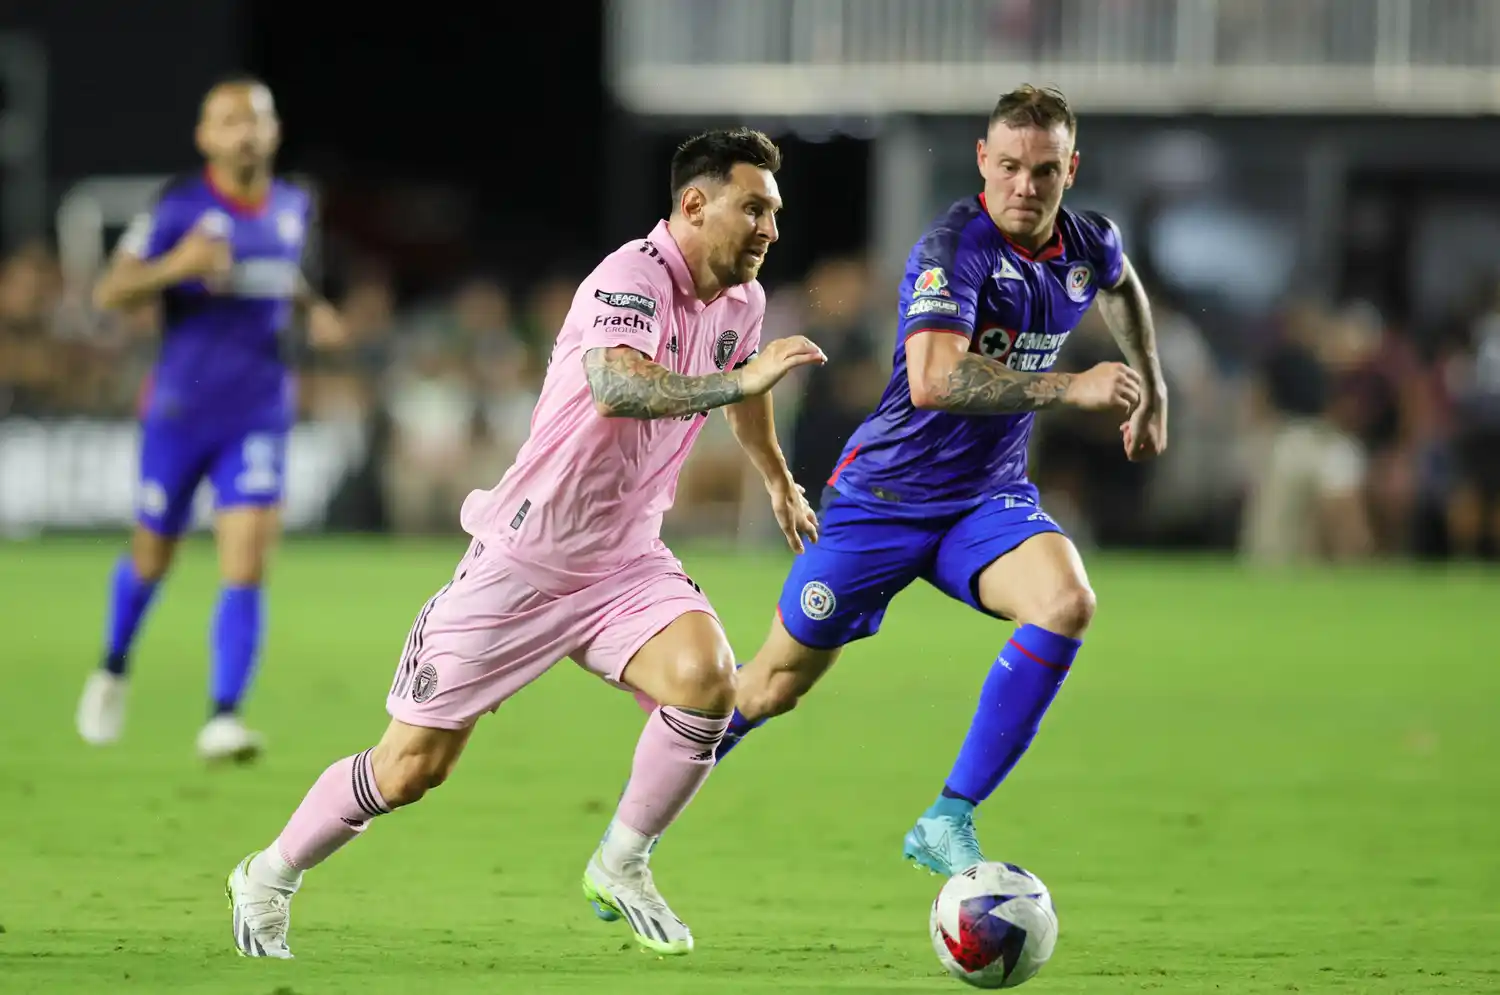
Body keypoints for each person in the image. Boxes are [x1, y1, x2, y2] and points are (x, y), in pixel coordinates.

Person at [224, 128, 825, 960]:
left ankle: (621, 861)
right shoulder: (630, 277)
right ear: (695, 202)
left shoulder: (741, 302)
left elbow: (744, 381)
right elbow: (617, 385)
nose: (770, 227)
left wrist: (774, 476)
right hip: (522, 561)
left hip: (624, 563)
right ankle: (268, 874)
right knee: (409, 770)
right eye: (754, 207)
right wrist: (738, 381)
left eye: (775, 211)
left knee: (707, 679)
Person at [716, 85, 1170, 876]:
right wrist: (1073, 387)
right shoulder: (953, 247)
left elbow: (1122, 283)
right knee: (768, 688)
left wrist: (1150, 384)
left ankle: (947, 815)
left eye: (1046, 170)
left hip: (985, 502)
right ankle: (644, 809)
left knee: (1067, 603)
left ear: (1072, 168)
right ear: (982, 163)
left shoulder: (1087, 242)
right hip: (883, 500)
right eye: (1010, 167)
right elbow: (932, 381)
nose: (1026, 186)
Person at [76, 76, 345, 761]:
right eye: (229, 121)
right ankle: (112, 664)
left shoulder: (294, 205)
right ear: (205, 137)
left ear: (275, 131)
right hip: (179, 411)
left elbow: (286, 275)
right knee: (152, 555)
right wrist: (179, 264)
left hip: (258, 412)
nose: (244, 132)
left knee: (247, 560)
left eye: (255, 119)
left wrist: (317, 310)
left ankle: (223, 714)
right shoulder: (179, 206)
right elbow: (110, 289)